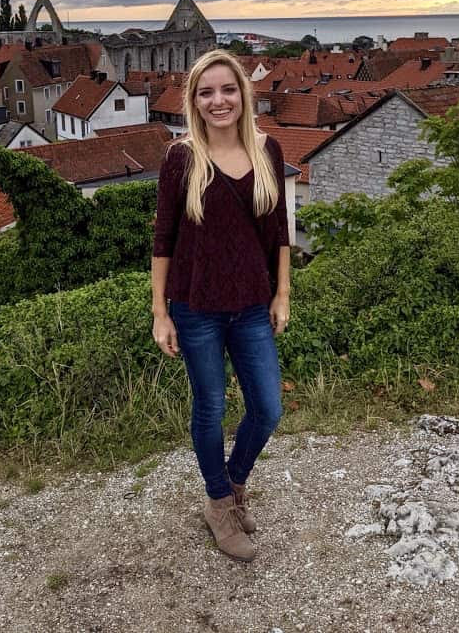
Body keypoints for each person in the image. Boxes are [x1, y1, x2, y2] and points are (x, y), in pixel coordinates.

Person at [151, 49, 291, 562]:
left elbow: (278, 232)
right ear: (193, 101)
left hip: (253, 304)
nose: (218, 100)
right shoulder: (181, 158)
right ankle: (217, 504)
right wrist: (160, 312)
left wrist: (282, 294)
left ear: (243, 94)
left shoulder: (268, 150)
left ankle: (232, 487)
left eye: (227, 90)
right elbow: (163, 237)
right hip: (195, 306)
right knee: (210, 407)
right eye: (206, 92)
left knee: (268, 408)